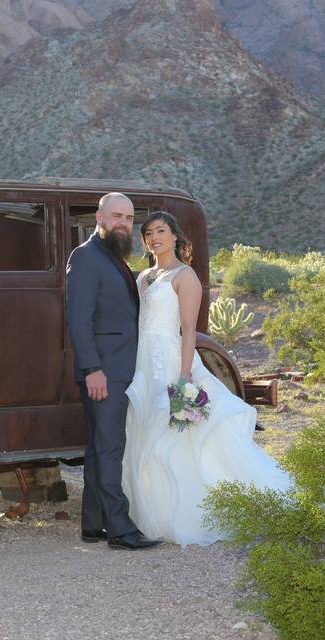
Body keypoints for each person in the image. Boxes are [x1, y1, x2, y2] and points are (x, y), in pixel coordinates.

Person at [122, 211, 291, 546]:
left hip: (173, 363)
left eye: (161, 230)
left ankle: (190, 512)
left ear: (175, 237)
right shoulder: (144, 278)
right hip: (144, 363)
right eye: (148, 233)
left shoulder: (185, 277)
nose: (155, 237)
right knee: (142, 432)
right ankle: (149, 511)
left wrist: (184, 379)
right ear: (144, 241)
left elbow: (188, 333)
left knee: (178, 436)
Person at [66, 192, 162, 550]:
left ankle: (93, 523)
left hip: (119, 367)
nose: (123, 223)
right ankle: (121, 530)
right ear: (100, 217)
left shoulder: (114, 257)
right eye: (117, 216)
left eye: (128, 218)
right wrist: (92, 368)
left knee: (98, 449)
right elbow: (78, 320)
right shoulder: (86, 256)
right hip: (104, 371)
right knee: (110, 449)